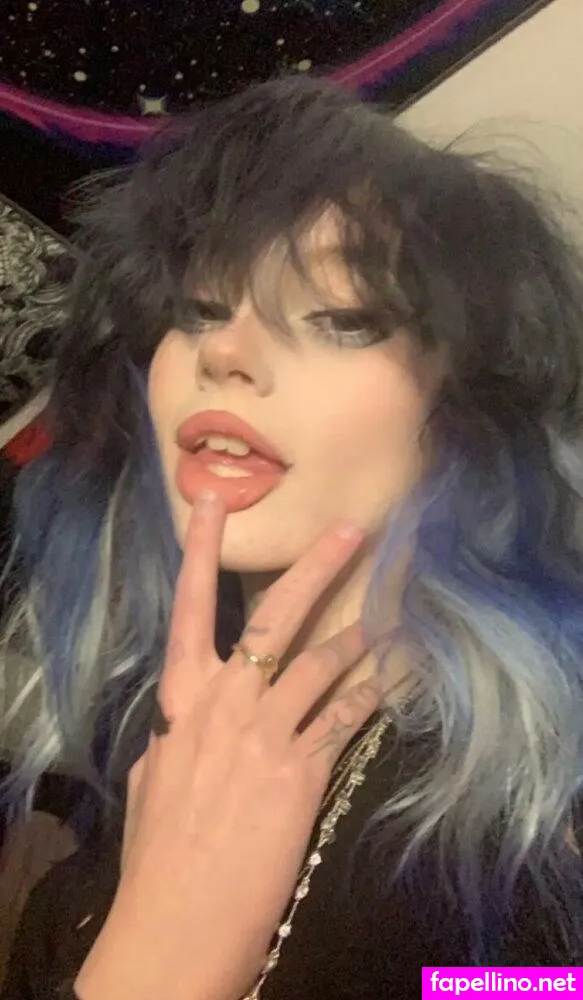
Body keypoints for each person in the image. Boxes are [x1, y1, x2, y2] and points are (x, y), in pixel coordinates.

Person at [2, 73, 583, 1000]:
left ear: (471, 416)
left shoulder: (534, 850)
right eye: (198, 309)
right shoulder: (77, 883)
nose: (224, 351)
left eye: (341, 318)